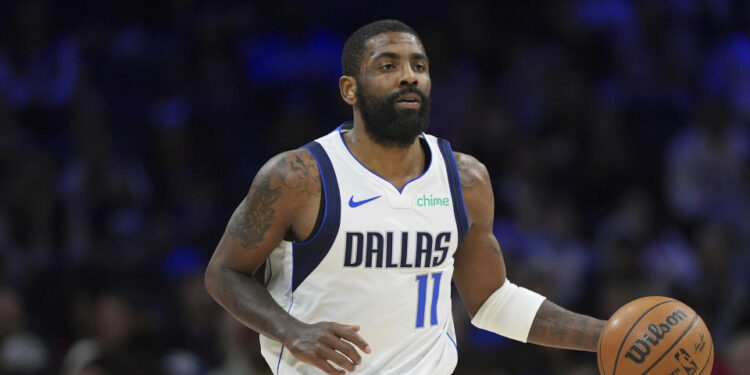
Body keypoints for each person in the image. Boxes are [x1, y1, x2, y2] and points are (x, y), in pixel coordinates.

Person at [204, 19, 607, 375]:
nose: (409, 76)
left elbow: (492, 302)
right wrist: (291, 332)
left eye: (419, 65)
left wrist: (610, 337)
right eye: (388, 66)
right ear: (350, 89)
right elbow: (223, 273)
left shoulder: (464, 179)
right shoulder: (298, 176)